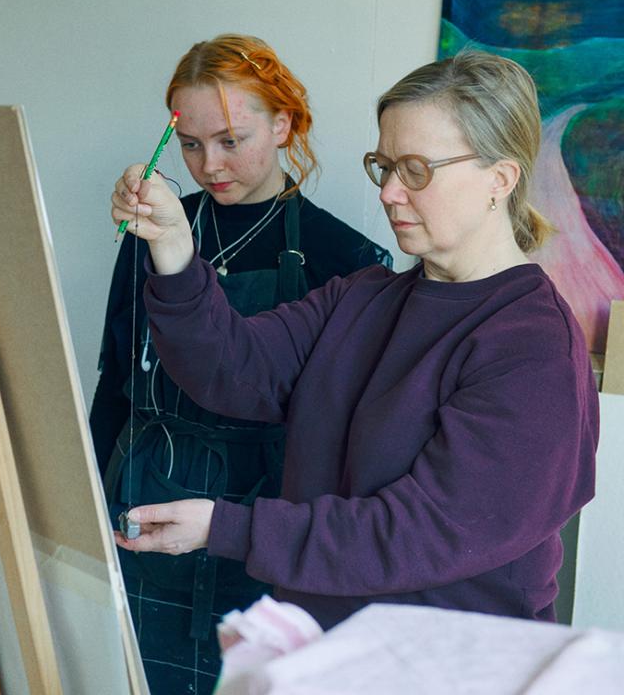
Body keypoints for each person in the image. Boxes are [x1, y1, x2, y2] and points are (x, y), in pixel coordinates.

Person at [109, 49, 599, 635]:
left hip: (447, 666)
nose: (389, 193)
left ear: (501, 178)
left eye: (416, 171)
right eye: (384, 166)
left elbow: (424, 533)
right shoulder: (363, 298)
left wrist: (228, 527)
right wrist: (171, 247)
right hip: (325, 647)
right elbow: (230, 368)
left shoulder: (533, 346)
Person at [89, 34, 391, 692]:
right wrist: (82, 502)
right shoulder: (153, 229)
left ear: (283, 123)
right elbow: (115, 375)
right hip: (142, 509)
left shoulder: (348, 260)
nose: (209, 164)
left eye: (231, 139)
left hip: (265, 530)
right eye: (191, 144)